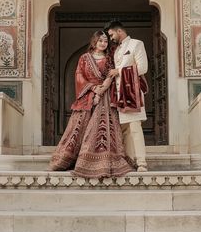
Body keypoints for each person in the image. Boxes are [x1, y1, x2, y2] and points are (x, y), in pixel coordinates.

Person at [48, 30, 133, 178]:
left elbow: (110, 76)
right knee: (80, 127)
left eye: (105, 41)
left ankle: (102, 162)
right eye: (100, 40)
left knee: (103, 127)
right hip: (87, 94)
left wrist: (100, 92)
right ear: (94, 42)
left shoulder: (109, 58)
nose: (103, 43)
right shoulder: (84, 58)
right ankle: (75, 159)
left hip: (105, 96)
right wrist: (93, 89)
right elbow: (79, 76)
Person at [106, 20, 149, 172]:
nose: (110, 38)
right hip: (119, 94)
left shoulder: (136, 44)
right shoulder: (116, 50)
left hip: (132, 92)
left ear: (119, 31)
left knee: (135, 127)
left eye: (111, 34)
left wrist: (119, 71)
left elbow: (143, 68)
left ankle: (142, 162)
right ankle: (130, 162)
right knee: (125, 130)